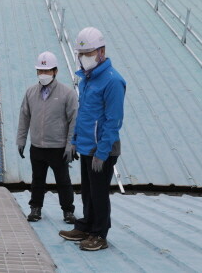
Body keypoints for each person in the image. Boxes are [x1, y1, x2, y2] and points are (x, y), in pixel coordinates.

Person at [59, 27, 126, 251]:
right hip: (87, 146)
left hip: (103, 150)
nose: (84, 58)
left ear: (101, 52)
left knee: (99, 193)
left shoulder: (113, 81)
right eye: (81, 54)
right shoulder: (86, 79)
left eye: (88, 54)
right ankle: (86, 225)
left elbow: (113, 121)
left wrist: (102, 152)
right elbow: (84, 114)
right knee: (87, 191)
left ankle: (99, 234)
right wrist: (75, 141)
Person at [17, 51, 78, 224]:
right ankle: (35, 208)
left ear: (55, 71)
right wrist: (21, 140)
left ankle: (68, 211)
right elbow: (24, 117)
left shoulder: (67, 93)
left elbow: (74, 120)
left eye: (47, 71)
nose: (43, 74)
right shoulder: (30, 92)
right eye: (40, 71)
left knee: (63, 181)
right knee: (37, 180)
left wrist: (70, 145)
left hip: (58, 147)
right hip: (37, 146)